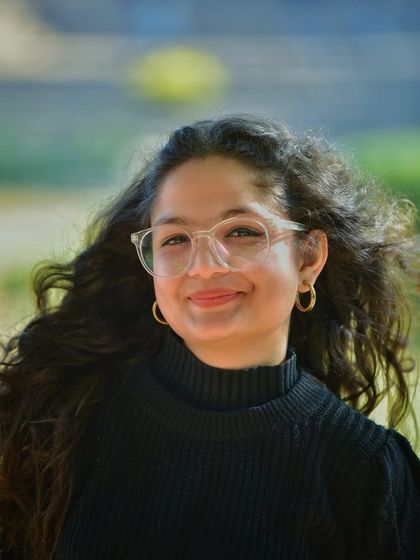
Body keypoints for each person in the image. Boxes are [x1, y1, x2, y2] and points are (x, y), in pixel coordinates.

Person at [1, 115, 419, 560]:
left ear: (309, 258)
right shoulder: (61, 419)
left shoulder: (367, 471)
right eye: (175, 239)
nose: (203, 266)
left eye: (241, 232)